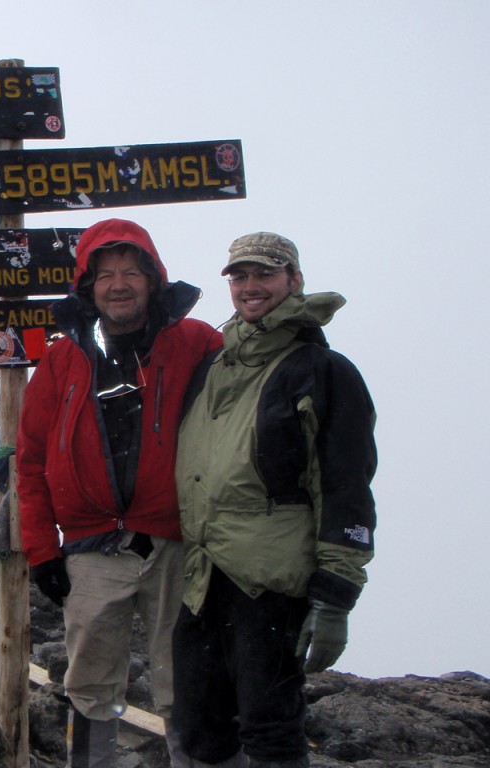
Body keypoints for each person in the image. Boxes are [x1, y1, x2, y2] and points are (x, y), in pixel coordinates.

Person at [16, 218, 221, 767]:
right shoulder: (60, 360)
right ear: (87, 287)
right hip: (90, 548)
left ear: (154, 279)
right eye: (104, 274)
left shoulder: (196, 342)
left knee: (185, 678)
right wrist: (41, 550)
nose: (119, 284)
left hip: (175, 540)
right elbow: (31, 462)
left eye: (132, 271)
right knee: (90, 681)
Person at [171, 232, 377, 768]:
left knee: (270, 726)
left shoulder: (322, 371)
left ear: (294, 280)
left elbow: (346, 485)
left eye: (264, 273)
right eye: (239, 276)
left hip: (271, 578)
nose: (250, 286)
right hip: (203, 573)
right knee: (200, 729)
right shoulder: (214, 368)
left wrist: (335, 596)